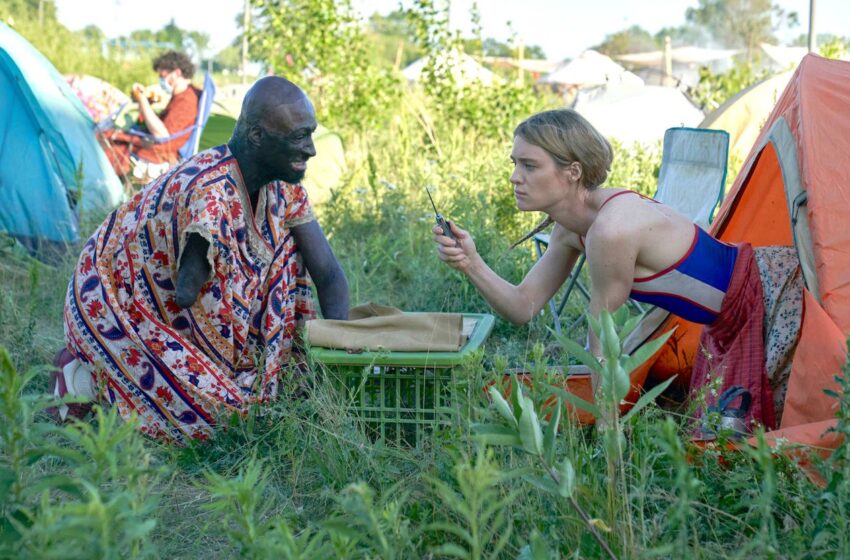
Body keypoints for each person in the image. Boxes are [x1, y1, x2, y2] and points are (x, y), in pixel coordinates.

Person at [432, 109, 802, 430]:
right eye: (515, 164)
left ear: (572, 172)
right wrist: (470, 262)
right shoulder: (570, 228)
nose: (515, 177)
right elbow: (523, 307)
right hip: (729, 320)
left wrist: (607, 437)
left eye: (529, 166)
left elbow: (603, 342)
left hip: (774, 295)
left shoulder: (612, 228)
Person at [58, 76, 349, 442]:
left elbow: (329, 273)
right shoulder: (209, 196)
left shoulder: (283, 190)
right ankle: (85, 377)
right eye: (298, 138)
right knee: (224, 425)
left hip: (181, 310)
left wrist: (343, 355)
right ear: (257, 136)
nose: (310, 150)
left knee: (288, 252)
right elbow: (187, 296)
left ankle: (145, 388)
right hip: (112, 301)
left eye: (310, 134)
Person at [100, 50, 201, 182]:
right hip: (154, 144)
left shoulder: (187, 100)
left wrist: (142, 101)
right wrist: (144, 100)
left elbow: (162, 135)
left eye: (162, 75)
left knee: (105, 143)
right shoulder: (181, 96)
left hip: (158, 149)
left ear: (176, 73)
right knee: (106, 135)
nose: (161, 79)